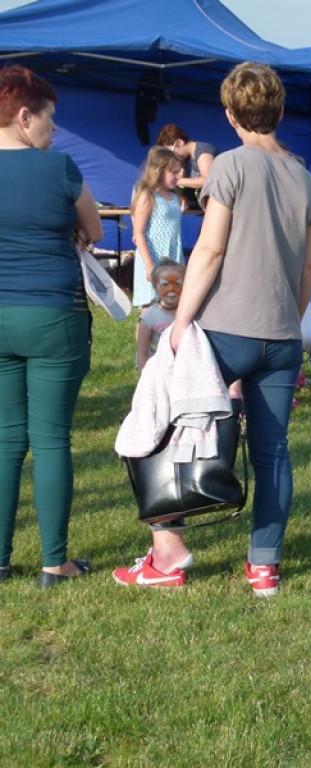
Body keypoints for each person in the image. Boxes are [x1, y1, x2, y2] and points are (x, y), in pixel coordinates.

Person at [113, 62, 311, 595]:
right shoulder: (305, 178)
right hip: (283, 335)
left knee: (154, 418)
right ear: (280, 110)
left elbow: (209, 249)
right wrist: (289, 316)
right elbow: (309, 268)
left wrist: (180, 322)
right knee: (273, 451)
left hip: (225, 329)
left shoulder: (229, 165)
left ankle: (168, 552)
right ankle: (265, 566)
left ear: (230, 115)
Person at [0, 64, 104, 587]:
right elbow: (95, 228)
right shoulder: (60, 167)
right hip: (53, 314)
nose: (54, 128)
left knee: (5, 441)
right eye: (49, 117)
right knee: (51, 439)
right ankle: (53, 562)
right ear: (25, 116)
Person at [130, 145, 186, 307]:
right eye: (173, 172)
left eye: (179, 172)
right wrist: (149, 265)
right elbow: (139, 232)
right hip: (153, 257)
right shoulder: (148, 196)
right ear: (159, 171)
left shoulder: (174, 197)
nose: (178, 176)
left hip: (172, 256)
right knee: (151, 303)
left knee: (172, 301)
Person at [135, 259, 185, 372]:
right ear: (155, 287)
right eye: (164, 284)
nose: (171, 289)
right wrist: (144, 378)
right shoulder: (149, 317)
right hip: (159, 371)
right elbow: (141, 353)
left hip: (184, 370)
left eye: (177, 284)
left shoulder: (189, 312)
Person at [156, 123, 217, 207]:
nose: (172, 157)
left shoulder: (203, 152)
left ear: (179, 143)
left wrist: (177, 181)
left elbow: (207, 181)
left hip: (216, 201)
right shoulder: (185, 158)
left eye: (171, 153)